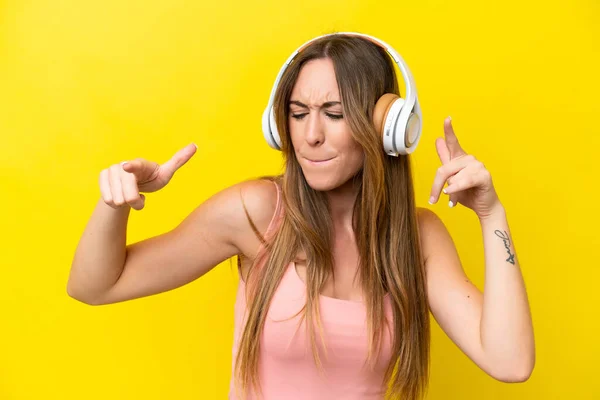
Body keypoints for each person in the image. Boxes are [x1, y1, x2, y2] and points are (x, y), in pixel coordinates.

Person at [67, 32, 535, 400]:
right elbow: (94, 286)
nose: (310, 135)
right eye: (297, 113)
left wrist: (491, 214)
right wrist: (114, 206)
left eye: (334, 113)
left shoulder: (416, 237)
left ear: (387, 128)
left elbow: (510, 362)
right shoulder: (255, 213)